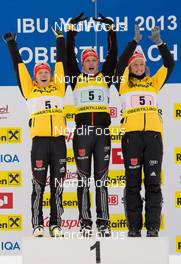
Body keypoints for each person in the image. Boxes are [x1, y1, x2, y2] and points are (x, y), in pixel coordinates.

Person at [3, 28, 67, 237]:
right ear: (34, 76)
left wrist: (60, 39)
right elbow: (19, 68)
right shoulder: (29, 90)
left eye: (46, 71)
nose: (44, 74)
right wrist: (12, 45)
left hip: (58, 142)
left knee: (57, 186)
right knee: (39, 185)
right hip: (39, 143)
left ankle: (55, 224)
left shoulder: (59, 88)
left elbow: (60, 64)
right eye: (40, 72)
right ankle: (37, 224)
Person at [114, 25, 174, 237]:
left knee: (153, 184)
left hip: (153, 138)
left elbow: (169, 64)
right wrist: (134, 43)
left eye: (141, 64)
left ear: (145, 66)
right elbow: (119, 65)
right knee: (132, 184)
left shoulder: (153, 83)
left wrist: (160, 43)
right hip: (132, 138)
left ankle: (153, 228)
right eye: (135, 64)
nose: (138, 67)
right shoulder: (123, 85)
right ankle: (133, 228)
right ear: (130, 68)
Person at [66, 13, 117, 237]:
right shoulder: (75, 78)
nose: (91, 63)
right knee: (83, 180)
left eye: (94, 60)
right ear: (82, 63)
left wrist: (110, 29)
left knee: (102, 180)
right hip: (83, 134)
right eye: (87, 60)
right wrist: (71, 30)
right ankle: (85, 223)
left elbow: (114, 55)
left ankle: (103, 223)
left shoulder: (106, 77)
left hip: (102, 134)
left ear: (98, 62)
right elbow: (68, 55)